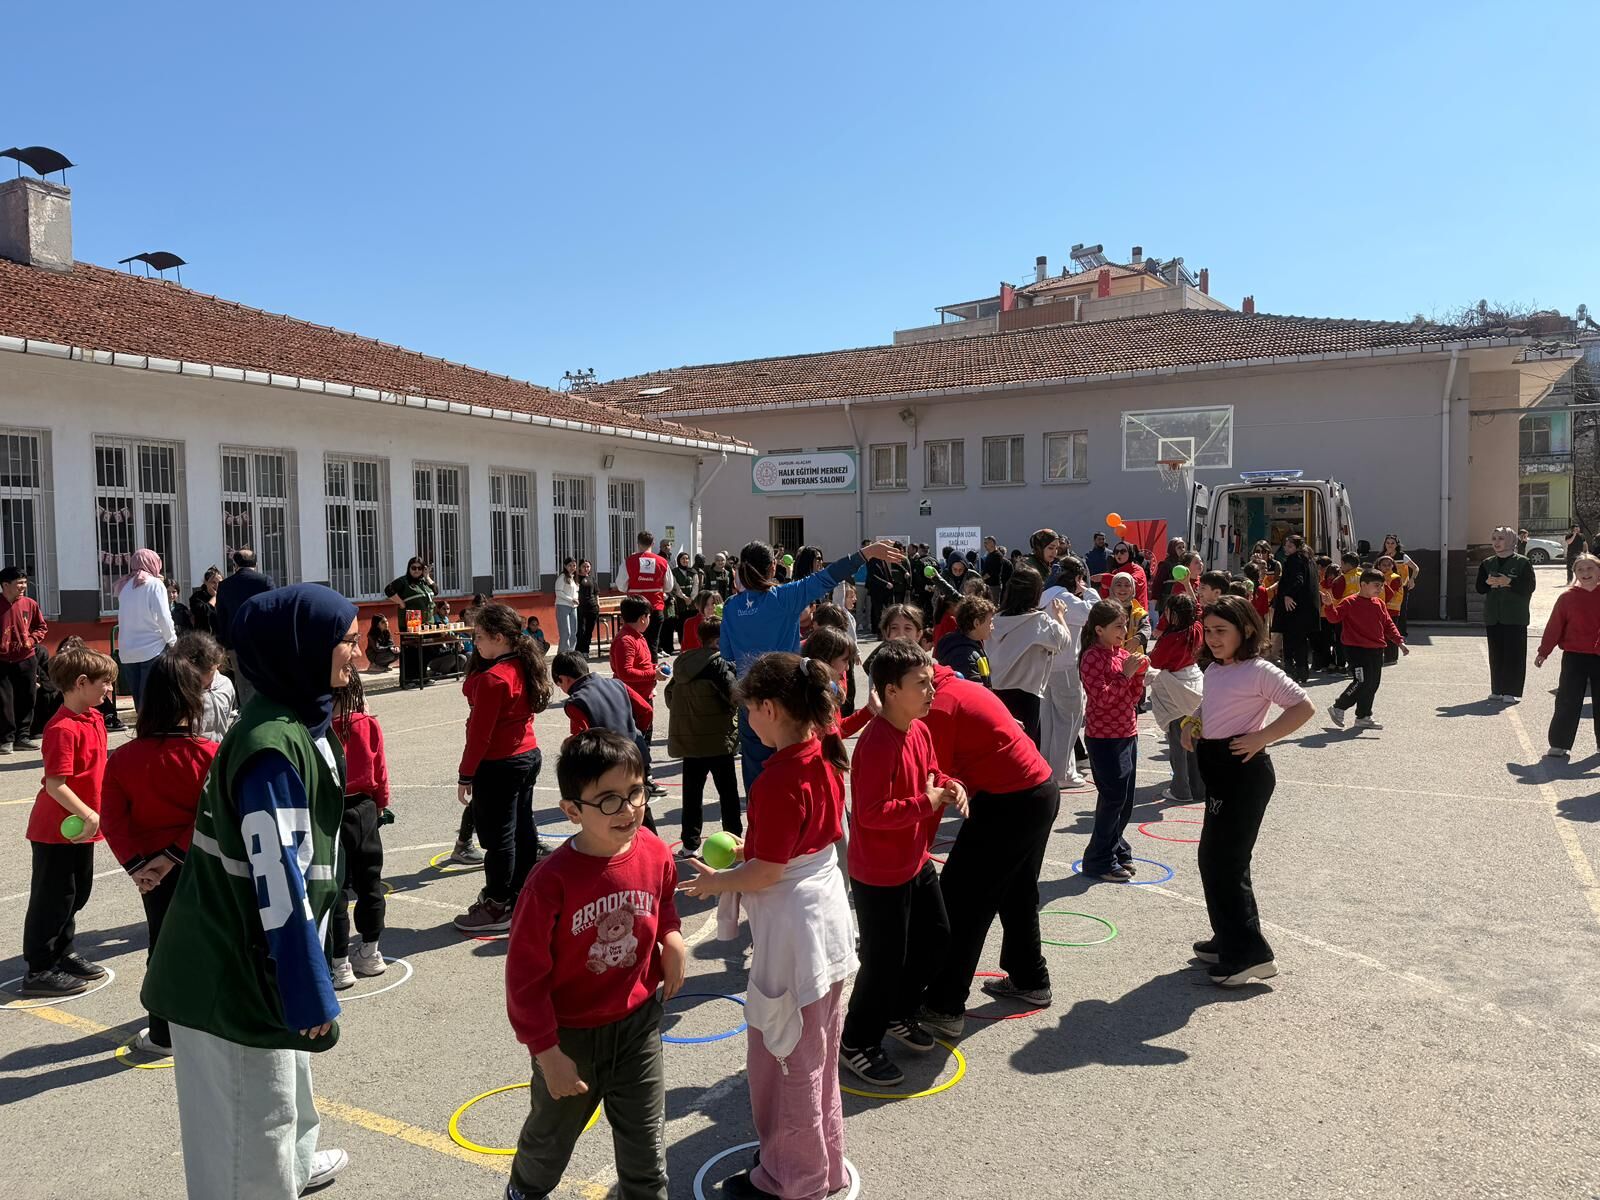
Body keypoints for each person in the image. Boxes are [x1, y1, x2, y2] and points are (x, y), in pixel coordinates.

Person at [142, 584, 359, 1199]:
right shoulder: (270, 747)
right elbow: (278, 880)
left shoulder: (299, 721)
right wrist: (308, 983)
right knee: (245, 1130)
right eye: (344, 640)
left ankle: (290, 1166)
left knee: (284, 1091)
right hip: (231, 971)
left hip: (254, 957)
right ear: (302, 650)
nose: (357, 653)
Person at [677, 654, 857, 1200]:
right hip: (824, 918)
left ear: (771, 709)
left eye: (750, 709)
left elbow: (769, 870)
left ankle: (793, 1176)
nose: (746, 719)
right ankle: (819, 1160)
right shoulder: (823, 753)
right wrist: (747, 857)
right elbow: (792, 851)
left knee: (785, 1055)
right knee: (817, 1051)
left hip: (794, 931)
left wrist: (718, 881)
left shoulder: (780, 777)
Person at [502, 730, 682, 1200]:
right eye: (607, 800)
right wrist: (547, 1052)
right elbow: (524, 979)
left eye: (635, 792)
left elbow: (663, 904)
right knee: (548, 1145)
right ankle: (522, 1192)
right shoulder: (550, 882)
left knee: (647, 1158)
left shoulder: (656, 851)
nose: (627, 809)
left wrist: (672, 937)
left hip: (638, 1027)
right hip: (570, 1039)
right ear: (572, 811)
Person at [917, 643, 1060, 1039]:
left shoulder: (940, 706)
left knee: (961, 901)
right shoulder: (957, 683)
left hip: (1012, 802)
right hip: (1038, 790)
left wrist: (916, 857)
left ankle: (943, 1006)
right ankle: (1030, 978)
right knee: (1015, 890)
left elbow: (934, 790)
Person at [839, 640, 963, 1084]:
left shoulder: (918, 728)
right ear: (890, 691)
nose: (932, 691)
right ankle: (857, 1042)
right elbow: (871, 814)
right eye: (922, 684)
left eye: (931, 682)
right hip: (880, 873)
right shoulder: (875, 744)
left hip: (915, 860)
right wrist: (926, 803)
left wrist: (950, 785)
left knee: (937, 939)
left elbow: (933, 772)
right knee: (883, 961)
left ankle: (896, 1011)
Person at [1179, 595, 1314, 986]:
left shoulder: (1259, 670)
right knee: (1214, 858)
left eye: (1223, 631)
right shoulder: (1217, 669)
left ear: (1247, 631)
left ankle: (1251, 955)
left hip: (1243, 773)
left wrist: (1262, 737)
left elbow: (1302, 707)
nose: (1214, 638)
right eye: (1210, 631)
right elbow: (1212, 705)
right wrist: (1193, 721)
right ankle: (1229, 937)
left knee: (1226, 862)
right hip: (1220, 768)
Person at [101, 650, 218, 1052]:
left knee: (162, 945)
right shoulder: (208, 754)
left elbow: (112, 820)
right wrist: (173, 855)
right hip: (201, 863)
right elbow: (211, 816)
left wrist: (140, 867)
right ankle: (211, 1019)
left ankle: (164, 1031)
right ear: (192, 699)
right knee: (210, 939)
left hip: (150, 872)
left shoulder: (123, 758)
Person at [720, 538, 901, 788]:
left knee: (757, 785)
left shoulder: (731, 606)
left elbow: (727, 653)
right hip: (788, 700)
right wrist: (865, 553)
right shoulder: (785, 596)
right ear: (773, 567)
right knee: (795, 778)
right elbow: (829, 576)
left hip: (751, 702)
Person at [19, 645, 116, 996]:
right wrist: (88, 813)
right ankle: (39, 968)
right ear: (80, 682)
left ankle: (63, 951)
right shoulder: (62, 728)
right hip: (55, 830)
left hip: (81, 828)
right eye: (104, 683)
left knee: (76, 893)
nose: (109, 689)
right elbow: (56, 784)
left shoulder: (92, 718)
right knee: (52, 898)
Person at [453, 602, 552, 934]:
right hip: (526, 753)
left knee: (498, 838)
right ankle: (520, 892)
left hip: (500, 762)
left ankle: (497, 903)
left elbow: (479, 735)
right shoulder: (520, 663)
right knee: (522, 828)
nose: (475, 643)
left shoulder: (494, 678)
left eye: (479, 637)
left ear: (498, 637)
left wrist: (466, 774)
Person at [328, 671, 390, 988]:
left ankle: (339, 964)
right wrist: (380, 804)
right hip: (365, 808)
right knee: (370, 882)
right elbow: (379, 770)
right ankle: (371, 951)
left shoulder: (319, 731)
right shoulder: (365, 723)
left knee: (335, 889)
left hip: (331, 811)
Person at [550, 652, 658, 835]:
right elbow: (646, 710)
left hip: (607, 763)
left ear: (563, 679)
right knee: (640, 805)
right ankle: (653, 847)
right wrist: (635, 733)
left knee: (614, 812)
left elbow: (583, 738)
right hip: (635, 753)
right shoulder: (617, 684)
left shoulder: (576, 702)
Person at [1079, 599, 1148, 882]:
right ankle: (1098, 858)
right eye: (1117, 626)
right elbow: (1103, 698)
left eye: (1125, 626)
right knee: (1113, 797)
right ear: (1099, 629)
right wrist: (1126, 675)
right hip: (1104, 737)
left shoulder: (1120, 654)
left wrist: (1138, 675)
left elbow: (1131, 699)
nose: (1123, 631)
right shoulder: (1091, 657)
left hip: (1126, 732)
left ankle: (1115, 846)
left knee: (1126, 799)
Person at [664, 615, 741, 857]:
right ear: (718, 641)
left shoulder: (684, 663)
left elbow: (669, 695)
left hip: (690, 739)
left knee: (692, 795)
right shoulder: (719, 665)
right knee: (728, 795)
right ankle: (735, 841)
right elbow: (734, 695)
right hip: (718, 740)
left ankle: (689, 844)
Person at [987, 567, 1071, 747]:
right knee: (1025, 751)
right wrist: (1060, 615)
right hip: (1025, 695)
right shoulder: (1038, 621)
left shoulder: (995, 619)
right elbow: (1064, 641)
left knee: (1000, 748)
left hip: (995, 692)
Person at [1039, 557, 1098, 789]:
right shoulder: (1064, 598)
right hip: (1064, 667)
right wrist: (1090, 591)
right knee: (1069, 720)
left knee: (1050, 723)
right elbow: (1094, 614)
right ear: (1077, 578)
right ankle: (1063, 772)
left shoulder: (1043, 596)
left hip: (1046, 667)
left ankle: (1050, 769)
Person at [1324, 569, 1408, 730]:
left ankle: (1363, 716)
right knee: (1362, 682)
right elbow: (1334, 617)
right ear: (1363, 584)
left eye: (1382, 586)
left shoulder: (1379, 603)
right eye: (1376, 585)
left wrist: (1399, 642)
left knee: (1373, 684)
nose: (1380, 589)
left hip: (1376, 649)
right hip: (1356, 650)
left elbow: (1388, 624)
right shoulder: (1349, 602)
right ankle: (1338, 707)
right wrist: (1328, 606)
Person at [1536, 553, 1600, 758]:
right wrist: (1543, 651)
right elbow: (1555, 626)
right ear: (1574, 574)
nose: (1585, 573)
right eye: (1580, 569)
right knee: (1567, 700)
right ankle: (1560, 743)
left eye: (1590, 568)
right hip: (1574, 657)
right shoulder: (1567, 598)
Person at [1148, 591, 1204, 803]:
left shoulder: (1172, 639)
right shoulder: (1197, 629)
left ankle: (1180, 789)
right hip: (1195, 688)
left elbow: (1155, 662)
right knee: (1195, 745)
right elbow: (1199, 611)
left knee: (1178, 747)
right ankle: (1199, 789)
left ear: (1172, 614)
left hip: (1176, 694)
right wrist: (1189, 586)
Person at [611, 596, 665, 797]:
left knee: (644, 739)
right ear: (643, 618)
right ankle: (643, 780)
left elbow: (640, 666)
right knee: (637, 742)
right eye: (649, 616)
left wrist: (653, 668)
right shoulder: (626, 640)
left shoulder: (637, 636)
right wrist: (653, 674)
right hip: (631, 700)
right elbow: (625, 672)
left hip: (643, 696)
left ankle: (642, 778)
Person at [1477, 526, 1537, 703]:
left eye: (1501, 538)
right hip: (1493, 615)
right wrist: (1488, 583)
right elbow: (1480, 588)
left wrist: (1509, 581)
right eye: (1494, 538)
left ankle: (1511, 690)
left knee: (1514, 654)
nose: (1496, 542)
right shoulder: (1487, 563)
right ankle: (1497, 689)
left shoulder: (1523, 562)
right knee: (1496, 654)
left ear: (1511, 540)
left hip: (1515, 616)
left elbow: (1529, 587)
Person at [116, 548, 177, 709]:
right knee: (154, 699)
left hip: (128, 650)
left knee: (139, 701)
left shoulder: (124, 586)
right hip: (153, 648)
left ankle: (143, 730)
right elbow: (164, 616)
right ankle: (154, 731)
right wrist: (172, 640)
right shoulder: (155, 584)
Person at [214, 548, 274, 704]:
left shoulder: (225, 585)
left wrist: (224, 644)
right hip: (262, 643)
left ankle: (247, 717)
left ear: (235, 564)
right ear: (256, 563)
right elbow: (274, 612)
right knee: (264, 680)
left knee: (243, 685)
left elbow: (221, 617)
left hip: (236, 643)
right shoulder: (265, 581)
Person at [0, 565, 48, 753]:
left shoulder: (30, 603)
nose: (23, 586)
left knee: (27, 698)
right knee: (4, 701)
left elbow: (41, 627)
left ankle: (23, 736)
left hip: (26, 658)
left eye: (25, 582)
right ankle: (6, 739)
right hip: (2, 661)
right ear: (5, 584)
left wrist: (31, 640)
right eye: (19, 583)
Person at [174, 630, 238, 742]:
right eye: (196, 675)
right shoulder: (180, 692)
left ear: (217, 664)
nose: (202, 681)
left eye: (210, 672)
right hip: (194, 752)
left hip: (218, 750)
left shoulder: (225, 684)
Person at [1272, 534, 1318, 685]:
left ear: (1298, 547)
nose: (1286, 548)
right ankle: (1302, 672)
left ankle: (1292, 671)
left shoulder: (1295, 560)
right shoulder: (1309, 560)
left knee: (1291, 641)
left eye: (1290, 546)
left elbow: (1298, 580)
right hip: (1305, 608)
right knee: (1301, 641)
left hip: (1294, 608)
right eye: (1286, 545)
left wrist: (1287, 595)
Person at [384, 555, 436, 689]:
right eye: (413, 568)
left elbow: (435, 591)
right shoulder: (403, 581)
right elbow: (388, 590)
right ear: (409, 568)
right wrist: (400, 602)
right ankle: (408, 679)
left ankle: (422, 677)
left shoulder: (424, 582)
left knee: (426, 651)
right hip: (411, 623)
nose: (416, 571)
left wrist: (427, 576)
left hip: (426, 624)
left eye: (419, 568)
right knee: (410, 652)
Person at [620, 531, 671, 661]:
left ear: (638, 543)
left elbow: (621, 585)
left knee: (633, 642)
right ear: (653, 543)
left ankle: (634, 673)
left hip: (634, 608)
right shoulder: (662, 562)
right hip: (656, 606)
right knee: (653, 643)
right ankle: (652, 675)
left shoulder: (629, 561)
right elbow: (669, 586)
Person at [934, 595, 994, 685]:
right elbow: (972, 695)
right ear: (976, 623)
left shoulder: (973, 645)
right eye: (989, 622)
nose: (992, 627)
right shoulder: (964, 657)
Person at [554, 558, 581, 654]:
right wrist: (571, 599)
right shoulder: (562, 577)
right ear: (565, 566)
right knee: (566, 633)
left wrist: (576, 599)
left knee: (573, 633)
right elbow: (558, 593)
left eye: (574, 565)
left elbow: (576, 592)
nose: (572, 568)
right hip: (563, 606)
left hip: (573, 607)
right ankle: (562, 655)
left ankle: (571, 653)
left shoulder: (574, 578)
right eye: (570, 565)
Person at [575, 559, 601, 657]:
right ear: (580, 568)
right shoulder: (576, 579)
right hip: (580, 608)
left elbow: (596, 593)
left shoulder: (592, 579)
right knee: (580, 630)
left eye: (588, 567)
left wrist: (598, 605)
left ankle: (586, 651)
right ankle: (579, 651)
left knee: (589, 631)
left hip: (592, 608)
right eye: (584, 566)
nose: (586, 569)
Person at [188, 565, 223, 637]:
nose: (217, 585)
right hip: (203, 639)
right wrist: (215, 597)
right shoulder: (197, 597)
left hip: (221, 640)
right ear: (206, 582)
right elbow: (204, 611)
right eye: (213, 582)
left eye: (219, 582)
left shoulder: (225, 597)